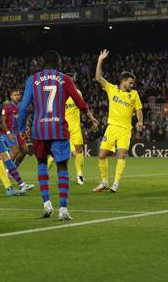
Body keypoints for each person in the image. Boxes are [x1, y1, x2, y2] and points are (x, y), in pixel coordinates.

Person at [18, 50, 99, 220]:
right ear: (58, 62)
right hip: (58, 128)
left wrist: (20, 128)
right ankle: (63, 209)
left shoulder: (32, 80)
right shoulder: (65, 79)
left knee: (41, 163)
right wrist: (90, 116)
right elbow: (80, 102)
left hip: (39, 129)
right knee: (62, 166)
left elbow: (24, 107)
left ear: (43, 63)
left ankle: (46, 204)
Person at [93, 49, 143, 193]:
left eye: (133, 83)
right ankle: (104, 182)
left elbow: (139, 110)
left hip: (125, 130)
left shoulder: (134, 94)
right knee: (102, 155)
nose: (132, 85)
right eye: (130, 83)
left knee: (121, 154)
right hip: (111, 127)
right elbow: (98, 77)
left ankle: (115, 183)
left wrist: (140, 121)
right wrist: (100, 60)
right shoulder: (112, 89)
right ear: (123, 81)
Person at [47, 84, 89, 185]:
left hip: (75, 128)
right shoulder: (58, 94)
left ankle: (79, 175)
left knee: (78, 150)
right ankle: (44, 172)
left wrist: (90, 118)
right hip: (62, 126)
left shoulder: (78, 93)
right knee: (56, 152)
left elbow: (82, 106)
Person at [1, 89, 28, 168]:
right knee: (15, 150)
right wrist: (8, 133)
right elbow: (3, 121)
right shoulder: (7, 106)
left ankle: (14, 168)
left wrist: (25, 127)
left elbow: (21, 119)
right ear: (11, 96)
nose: (17, 96)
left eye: (18, 95)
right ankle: (8, 170)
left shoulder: (20, 106)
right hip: (9, 132)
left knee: (25, 150)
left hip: (18, 132)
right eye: (15, 95)